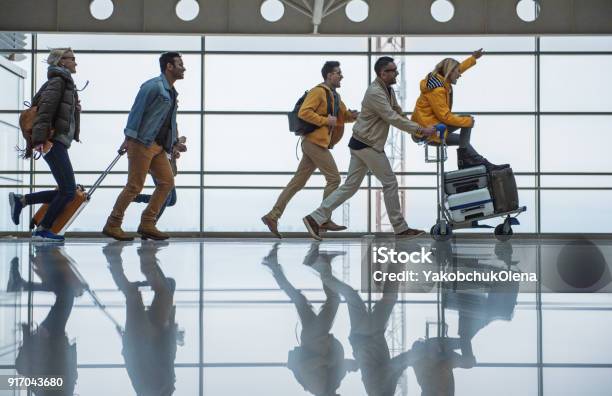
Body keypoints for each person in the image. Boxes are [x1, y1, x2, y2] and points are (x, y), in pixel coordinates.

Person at [303, 57, 435, 241]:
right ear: (383, 73)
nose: (396, 73)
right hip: (368, 145)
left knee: (349, 187)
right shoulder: (375, 93)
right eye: (393, 70)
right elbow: (391, 117)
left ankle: (314, 218)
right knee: (390, 182)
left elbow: (398, 112)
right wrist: (420, 130)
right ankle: (400, 228)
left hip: (361, 143)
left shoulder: (388, 90)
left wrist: (418, 128)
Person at [261, 61, 358, 238]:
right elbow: (304, 112)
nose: (341, 76)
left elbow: (342, 117)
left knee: (297, 182)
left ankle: (272, 216)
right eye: (338, 73)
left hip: (316, 143)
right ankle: (322, 219)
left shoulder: (335, 97)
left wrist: (355, 116)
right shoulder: (318, 92)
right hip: (314, 142)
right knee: (334, 179)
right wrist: (324, 121)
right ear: (329, 75)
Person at [102, 52, 185, 241]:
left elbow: (169, 121)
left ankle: (148, 223)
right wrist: (128, 137)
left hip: (159, 147)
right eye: (180, 64)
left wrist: (174, 143)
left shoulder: (171, 92)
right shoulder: (153, 86)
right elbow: (136, 112)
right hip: (142, 143)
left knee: (167, 183)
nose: (184, 68)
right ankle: (113, 224)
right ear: (169, 67)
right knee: (134, 186)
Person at [262, 243, 357, 395]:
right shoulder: (329, 387)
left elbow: (305, 367)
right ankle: (273, 264)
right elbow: (335, 367)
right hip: (314, 339)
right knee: (299, 300)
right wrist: (347, 365)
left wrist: (329, 361)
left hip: (315, 338)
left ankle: (320, 263)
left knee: (334, 300)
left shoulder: (319, 390)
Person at [9, 48, 81, 242]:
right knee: (68, 191)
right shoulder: (58, 82)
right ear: (61, 62)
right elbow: (45, 112)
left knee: (67, 190)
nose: (76, 63)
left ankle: (22, 201)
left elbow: (56, 111)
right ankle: (43, 229)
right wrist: (41, 140)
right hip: (52, 141)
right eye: (72, 59)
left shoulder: (63, 83)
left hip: (56, 141)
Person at [103, 241, 179, 396]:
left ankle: (115, 257)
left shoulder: (150, 390)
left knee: (134, 295)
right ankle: (145, 259)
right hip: (155, 339)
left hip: (142, 341)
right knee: (161, 293)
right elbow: (168, 359)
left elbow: (138, 362)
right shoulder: (162, 390)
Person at [411, 48, 506, 171]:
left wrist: (473, 58)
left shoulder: (440, 80)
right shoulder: (437, 90)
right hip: (428, 132)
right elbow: (445, 117)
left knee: (463, 142)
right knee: (466, 120)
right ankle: (467, 161)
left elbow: (458, 68)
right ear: (449, 72)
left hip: (435, 127)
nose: (460, 74)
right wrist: (468, 122)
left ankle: (483, 164)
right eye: (457, 72)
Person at [132, 136, 187, 220]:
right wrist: (178, 141)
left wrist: (174, 157)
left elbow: (174, 172)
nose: (182, 149)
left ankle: (137, 197)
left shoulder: (173, 149)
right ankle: (151, 221)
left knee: (172, 201)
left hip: (165, 167)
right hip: (157, 166)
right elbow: (161, 141)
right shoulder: (170, 142)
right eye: (181, 147)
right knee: (166, 197)